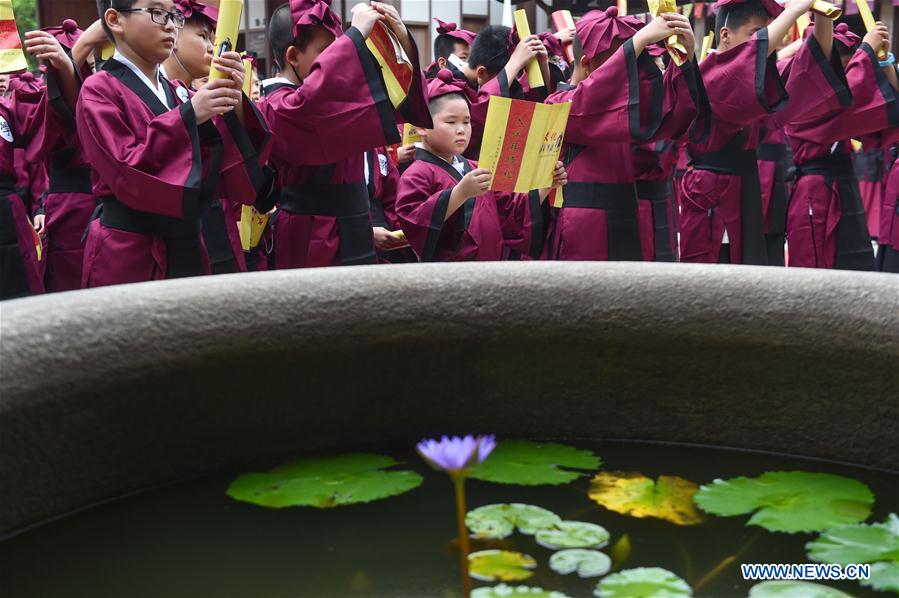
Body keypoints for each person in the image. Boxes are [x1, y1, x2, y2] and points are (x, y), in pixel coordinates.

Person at [76, 0, 270, 287]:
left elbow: (220, 161)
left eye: (173, 15)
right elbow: (128, 170)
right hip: (130, 250)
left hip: (187, 244)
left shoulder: (178, 92)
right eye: (156, 13)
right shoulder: (98, 90)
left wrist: (234, 99)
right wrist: (191, 115)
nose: (169, 25)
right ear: (116, 20)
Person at [258, 0, 430, 269]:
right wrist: (354, 37)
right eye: (328, 52)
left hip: (358, 222)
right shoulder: (276, 106)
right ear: (293, 56)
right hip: (311, 230)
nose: (338, 58)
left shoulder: (335, 94)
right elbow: (313, 98)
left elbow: (397, 94)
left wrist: (401, 41)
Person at [544, 7, 704, 261]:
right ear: (586, 65)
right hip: (582, 225)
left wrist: (684, 56)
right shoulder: (557, 104)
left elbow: (670, 114)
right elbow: (591, 98)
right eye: (622, 66)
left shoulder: (624, 110)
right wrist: (637, 42)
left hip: (628, 217)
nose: (629, 80)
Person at [396, 70, 565, 262]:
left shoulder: (477, 167)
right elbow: (414, 223)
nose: (461, 130)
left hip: (490, 267)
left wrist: (546, 185)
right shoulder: (417, 173)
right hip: (450, 275)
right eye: (451, 122)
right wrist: (460, 193)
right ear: (422, 127)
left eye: (466, 122)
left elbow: (511, 212)